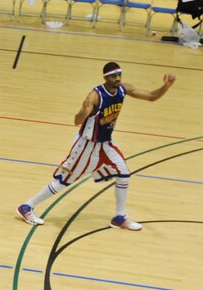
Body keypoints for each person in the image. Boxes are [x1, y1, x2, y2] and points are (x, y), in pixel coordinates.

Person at [17, 62, 177, 231]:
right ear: (106, 77)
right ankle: (27, 207)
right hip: (86, 145)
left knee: (123, 175)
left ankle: (119, 218)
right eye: (114, 76)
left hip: (105, 144)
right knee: (63, 181)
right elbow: (76, 121)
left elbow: (151, 96)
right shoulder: (95, 96)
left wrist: (166, 86)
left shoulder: (124, 89)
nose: (117, 78)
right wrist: (85, 111)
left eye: (119, 75)